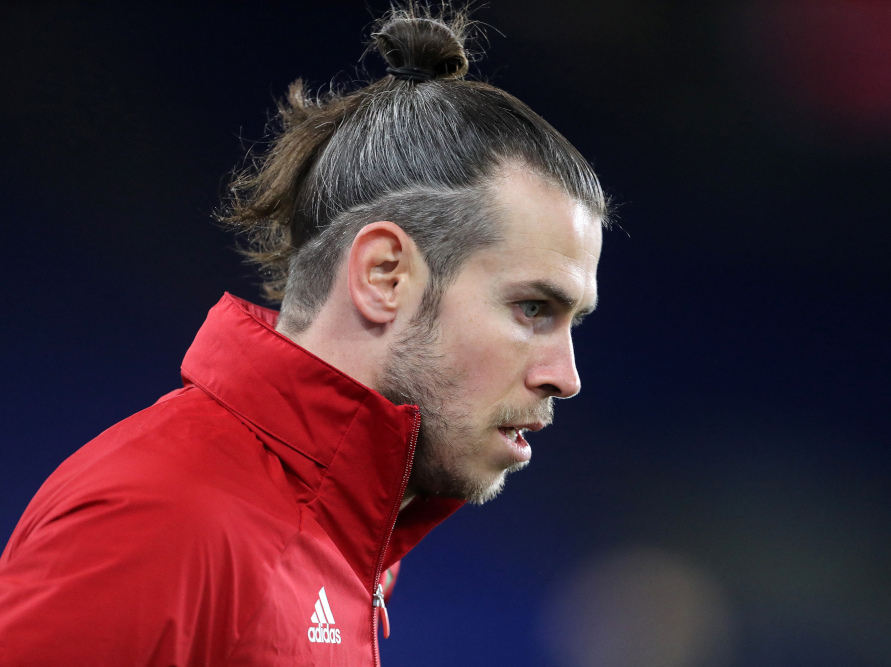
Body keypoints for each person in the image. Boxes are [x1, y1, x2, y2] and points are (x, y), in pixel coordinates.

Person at [0, 7, 605, 665]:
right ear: (384, 275)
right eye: (532, 308)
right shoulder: (159, 521)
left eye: (571, 322)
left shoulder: (342, 545)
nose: (564, 375)